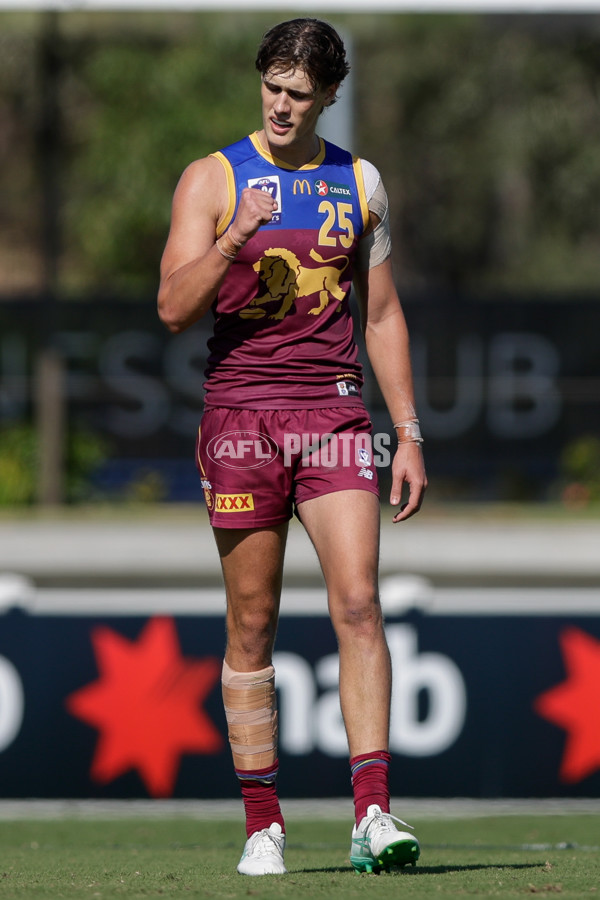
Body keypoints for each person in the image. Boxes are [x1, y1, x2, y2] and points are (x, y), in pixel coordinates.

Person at [158, 17, 427, 876]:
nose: (280, 104)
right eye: (271, 86)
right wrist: (236, 237)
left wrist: (408, 433)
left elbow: (380, 314)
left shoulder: (362, 183)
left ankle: (374, 814)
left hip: (334, 416)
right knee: (254, 621)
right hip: (241, 420)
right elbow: (171, 305)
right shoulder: (212, 177)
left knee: (359, 603)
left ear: (329, 98)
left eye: (298, 93)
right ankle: (264, 824)